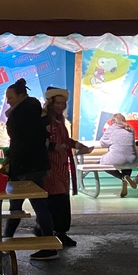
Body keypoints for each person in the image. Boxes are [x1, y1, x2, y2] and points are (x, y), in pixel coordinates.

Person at [1, 79, 57, 261]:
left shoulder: (22, 113)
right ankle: (46, 243)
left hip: (24, 165)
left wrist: (12, 159)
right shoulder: (33, 109)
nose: (8, 101)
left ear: (20, 96)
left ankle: (5, 242)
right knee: (37, 206)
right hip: (35, 164)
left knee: (21, 206)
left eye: (10, 97)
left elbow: (21, 141)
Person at [42, 87, 89, 248]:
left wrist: (78, 145)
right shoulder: (45, 120)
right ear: (51, 103)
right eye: (58, 103)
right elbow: (41, 141)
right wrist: (55, 147)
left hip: (61, 165)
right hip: (50, 166)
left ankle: (60, 231)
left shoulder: (60, 120)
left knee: (62, 199)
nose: (60, 106)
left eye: (63, 103)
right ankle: (54, 231)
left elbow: (65, 139)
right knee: (55, 200)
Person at [99, 113, 138, 197]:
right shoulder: (130, 128)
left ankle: (122, 177)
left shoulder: (111, 129)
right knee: (127, 161)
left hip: (117, 158)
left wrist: (111, 142)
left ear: (113, 121)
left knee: (101, 164)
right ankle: (126, 177)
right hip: (133, 159)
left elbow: (102, 143)